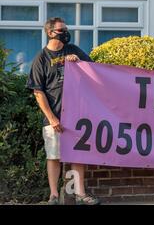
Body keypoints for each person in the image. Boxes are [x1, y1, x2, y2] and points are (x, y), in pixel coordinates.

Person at [27, 17, 100, 205]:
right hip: (54, 118)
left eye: (66, 29)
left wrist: (77, 64)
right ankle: (53, 195)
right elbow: (38, 92)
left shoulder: (73, 50)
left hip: (77, 115)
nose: (66, 32)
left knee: (78, 155)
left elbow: (94, 71)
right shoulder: (41, 59)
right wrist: (51, 118)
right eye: (62, 29)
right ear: (51, 33)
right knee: (53, 156)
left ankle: (80, 194)